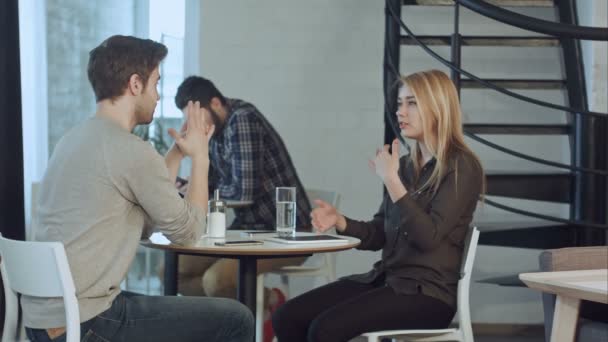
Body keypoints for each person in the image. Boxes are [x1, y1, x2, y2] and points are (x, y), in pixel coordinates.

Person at [22, 35, 253, 342]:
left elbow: (142, 217)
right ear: (135, 84)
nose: (158, 96)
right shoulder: (128, 149)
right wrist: (200, 157)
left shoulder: (73, 140)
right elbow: (189, 232)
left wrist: (176, 153)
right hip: (87, 322)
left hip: (47, 322)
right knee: (236, 318)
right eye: (156, 83)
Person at [272, 69, 485, 342]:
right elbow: (380, 233)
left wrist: (391, 181)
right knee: (287, 317)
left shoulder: (461, 166)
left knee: (324, 330)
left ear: (438, 108)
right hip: (387, 280)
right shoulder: (405, 166)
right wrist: (340, 221)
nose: (401, 112)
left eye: (412, 103)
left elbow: (428, 238)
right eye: (399, 103)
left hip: (428, 295)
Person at [172, 76, 311, 341]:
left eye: (198, 116)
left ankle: (253, 317)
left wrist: (199, 189)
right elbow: (211, 185)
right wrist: (188, 185)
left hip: (286, 233)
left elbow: (243, 193)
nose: (195, 125)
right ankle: (262, 304)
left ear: (215, 103)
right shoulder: (212, 132)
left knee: (216, 281)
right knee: (175, 270)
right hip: (246, 232)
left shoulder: (242, 119)